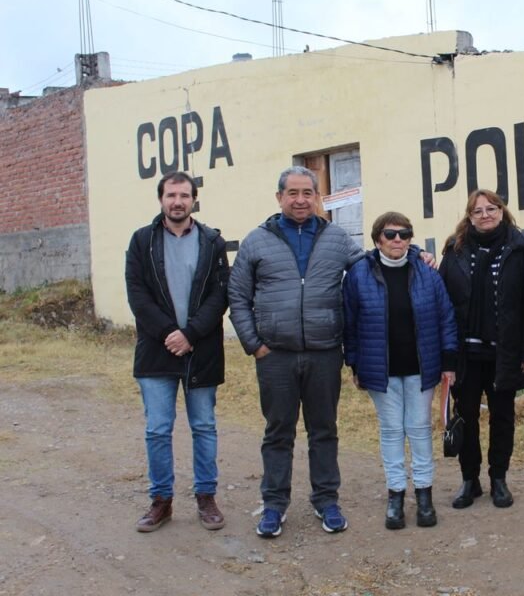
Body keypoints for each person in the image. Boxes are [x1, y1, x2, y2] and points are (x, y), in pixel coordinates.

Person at [228, 166, 365, 538]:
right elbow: (237, 296)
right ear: (279, 197)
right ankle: (274, 506)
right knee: (278, 433)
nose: (301, 200)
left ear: (317, 197)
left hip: (324, 353)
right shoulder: (257, 241)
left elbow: (371, 269)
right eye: (293, 193)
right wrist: (254, 345)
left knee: (324, 430)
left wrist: (414, 253)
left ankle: (326, 501)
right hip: (276, 356)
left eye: (308, 192)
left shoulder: (337, 238)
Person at [125, 171, 230, 533]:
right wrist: (170, 333)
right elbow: (137, 295)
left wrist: (189, 334)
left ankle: (206, 497)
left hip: (201, 350)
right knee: (157, 429)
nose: (177, 202)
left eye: (184, 195)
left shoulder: (212, 242)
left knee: (204, 426)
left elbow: (220, 296)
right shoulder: (142, 241)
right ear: (161, 199)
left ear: (193, 200)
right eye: (171, 195)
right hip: (156, 351)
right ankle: (161, 501)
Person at [343, 212, 458, 529]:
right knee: (392, 430)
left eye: (405, 234)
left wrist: (450, 362)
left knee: (419, 428)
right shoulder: (358, 274)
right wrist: (353, 362)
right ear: (377, 238)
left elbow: (446, 318)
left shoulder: (428, 272)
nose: (398, 240)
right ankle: (395, 494)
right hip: (381, 369)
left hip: (423, 367)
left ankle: (424, 494)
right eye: (391, 234)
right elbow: (349, 322)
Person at [438, 189, 524, 509]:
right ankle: (470, 481)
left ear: (502, 210)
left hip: (505, 353)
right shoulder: (454, 250)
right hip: (465, 354)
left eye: (491, 208)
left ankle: (499, 478)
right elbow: (442, 303)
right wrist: (446, 357)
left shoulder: (520, 248)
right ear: (469, 216)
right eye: (477, 211)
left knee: (503, 418)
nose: (484, 215)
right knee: (465, 417)